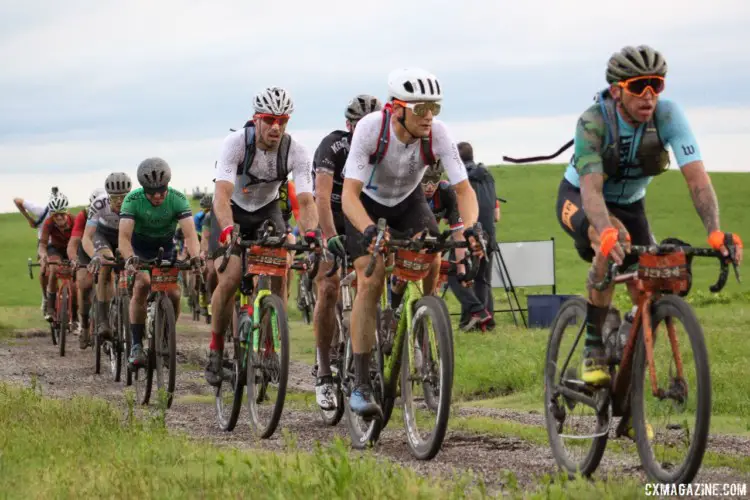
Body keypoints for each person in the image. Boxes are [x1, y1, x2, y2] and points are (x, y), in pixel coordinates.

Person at [555, 45, 743, 391]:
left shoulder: (669, 116)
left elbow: (697, 178)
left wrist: (715, 232)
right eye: (639, 85)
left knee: (654, 280)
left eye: (656, 85)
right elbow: (592, 192)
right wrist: (606, 231)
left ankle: (631, 402)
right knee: (615, 241)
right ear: (617, 90)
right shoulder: (593, 121)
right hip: (581, 200)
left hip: (632, 204)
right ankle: (593, 346)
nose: (648, 95)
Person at [341, 68, 484, 418]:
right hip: (366, 206)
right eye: (421, 108)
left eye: (434, 107)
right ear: (396, 108)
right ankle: (360, 382)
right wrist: (370, 229)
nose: (429, 116)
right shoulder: (371, 129)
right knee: (370, 280)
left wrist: (469, 227)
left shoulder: (437, 134)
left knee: (432, 253)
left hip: (408, 201)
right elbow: (348, 195)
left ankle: (422, 321)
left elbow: (464, 189)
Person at [204, 86, 318, 386]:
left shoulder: (297, 151)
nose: (276, 127)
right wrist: (228, 228)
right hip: (232, 211)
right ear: (256, 119)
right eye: (269, 119)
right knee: (230, 278)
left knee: (281, 264)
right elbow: (222, 194)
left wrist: (311, 234)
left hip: (267, 210)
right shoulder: (236, 144)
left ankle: (270, 344)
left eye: (282, 120)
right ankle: (216, 351)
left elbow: (306, 201)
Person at [310, 93, 382, 410]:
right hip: (333, 218)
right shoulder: (333, 146)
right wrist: (328, 236)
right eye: (357, 125)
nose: (363, 131)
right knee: (328, 287)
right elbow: (322, 199)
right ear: (348, 125)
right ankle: (324, 371)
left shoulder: (382, 149)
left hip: (361, 219)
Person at [118, 158, 203, 367]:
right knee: (142, 284)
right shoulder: (132, 200)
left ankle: (166, 335)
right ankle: (137, 345)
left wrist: (195, 257)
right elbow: (123, 238)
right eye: (152, 192)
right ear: (143, 189)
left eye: (161, 192)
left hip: (165, 247)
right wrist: (130, 258)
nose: (157, 196)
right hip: (139, 248)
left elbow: (191, 235)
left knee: (174, 293)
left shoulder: (178, 199)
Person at [421, 160, 491, 331]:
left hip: (430, 233)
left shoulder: (446, 191)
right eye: (425, 181)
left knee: (436, 265)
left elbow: (458, 232)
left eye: (434, 181)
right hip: (408, 229)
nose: (430, 186)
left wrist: (461, 270)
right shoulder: (411, 190)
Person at [446, 141, 500, 331]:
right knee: (483, 279)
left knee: (457, 274)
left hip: (468, 233)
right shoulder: (488, 175)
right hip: (489, 234)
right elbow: (496, 215)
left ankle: (472, 317)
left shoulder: (461, 181)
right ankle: (486, 323)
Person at [83, 173, 133, 342]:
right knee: (106, 264)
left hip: (126, 235)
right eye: (115, 198)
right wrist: (94, 256)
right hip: (103, 235)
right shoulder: (99, 204)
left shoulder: (136, 202)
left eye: (123, 197)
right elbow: (87, 237)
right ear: (108, 196)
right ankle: (103, 321)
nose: (119, 201)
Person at [67, 187, 106, 348]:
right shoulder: (83, 216)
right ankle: (83, 325)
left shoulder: (118, 214)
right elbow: (73, 243)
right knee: (84, 285)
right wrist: (74, 259)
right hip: (86, 251)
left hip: (107, 249)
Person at [14, 186, 58, 311]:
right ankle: (45, 297)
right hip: (45, 243)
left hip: (61, 243)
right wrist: (29, 219)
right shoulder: (40, 210)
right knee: (44, 268)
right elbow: (17, 200)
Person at [38, 192, 74, 321]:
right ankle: (51, 307)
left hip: (72, 249)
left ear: (67, 212)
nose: (59, 217)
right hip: (55, 250)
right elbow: (42, 244)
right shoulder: (49, 223)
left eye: (62, 214)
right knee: (53, 269)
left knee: (76, 277)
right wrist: (43, 256)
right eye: (55, 215)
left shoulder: (75, 221)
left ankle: (75, 315)